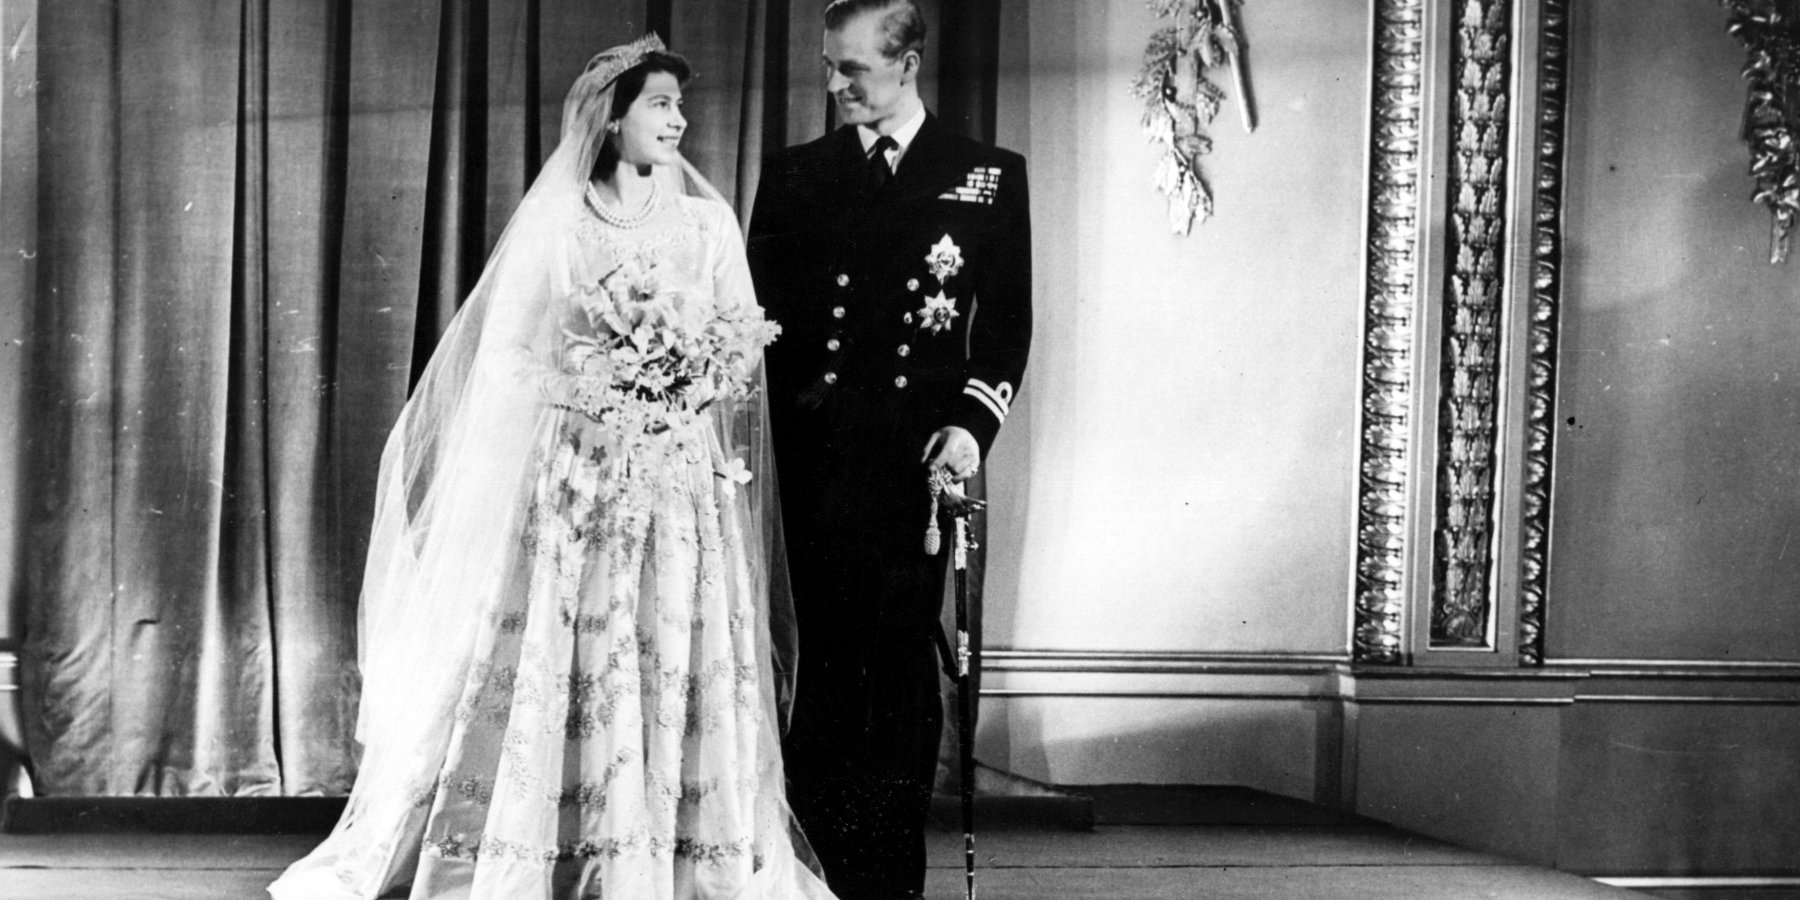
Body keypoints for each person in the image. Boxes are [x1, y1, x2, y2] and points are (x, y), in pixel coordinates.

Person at [269, 35, 836, 900]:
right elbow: (507, 354)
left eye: (680, 107)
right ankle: (566, 845)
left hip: (678, 474)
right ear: (614, 119)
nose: (678, 121)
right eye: (660, 105)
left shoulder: (705, 222)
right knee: (578, 649)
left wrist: (681, 384)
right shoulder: (562, 222)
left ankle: (681, 852)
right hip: (580, 475)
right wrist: (598, 385)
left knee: (672, 642)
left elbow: (741, 342)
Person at [746, 1, 1033, 896]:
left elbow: (1007, 327)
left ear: (906, 63)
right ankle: (812, 867)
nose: (833, 87)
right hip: (811, 459)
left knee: (900, 666)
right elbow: (758, 324)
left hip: (914, 465)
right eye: (829, 67)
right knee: (819, 663)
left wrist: (973, 426)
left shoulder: (986, 175)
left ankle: (888, 873)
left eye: (853, 70)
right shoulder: (796, 175)